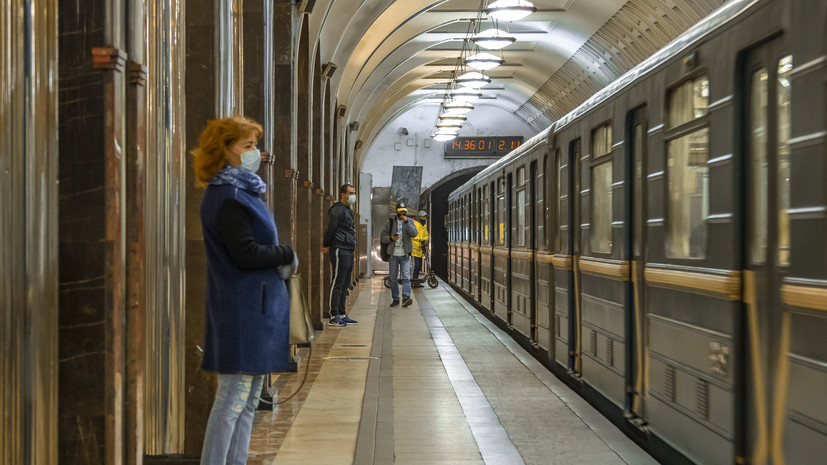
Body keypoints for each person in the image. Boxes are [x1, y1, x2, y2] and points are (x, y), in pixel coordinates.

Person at [193, 115, 298, 465]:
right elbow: (245, 253)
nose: (255, 152)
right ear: (224, 150)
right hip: (242, 310)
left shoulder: (242, 191)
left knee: (248, 399)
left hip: (254, 308)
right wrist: (286, 253)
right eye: (248, 145)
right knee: (232, 400)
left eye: (255, 144)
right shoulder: (229, 196)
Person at [322, 183, 359, 326]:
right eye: (350, 193)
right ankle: (334, 314)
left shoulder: (348, 210)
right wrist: (326, 244)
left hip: (348, 247)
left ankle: (342, 313)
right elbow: (331, 228)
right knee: (337, 281)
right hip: (339, 247)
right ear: (343, 194)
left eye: (354, 193)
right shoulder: (337, 209)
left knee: (345, 282)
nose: (353, 196)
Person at [380, 203, 418, 307]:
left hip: (405, 255)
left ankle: (406, 298)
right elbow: (383, 237)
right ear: (397, 211)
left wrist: (406, 222)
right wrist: (391, 238)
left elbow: (414, 234)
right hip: (393, 255)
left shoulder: (409, 221)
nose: (402, 213)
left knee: (406, 277)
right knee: (393, 278)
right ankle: (395, 299)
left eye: (404, 211)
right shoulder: (390, 222)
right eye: (400, 211)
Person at [411, 210, 429, 288]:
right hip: (415, 248)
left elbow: (426, 235)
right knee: (416, 265)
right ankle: (413, 281)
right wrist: (419, 239)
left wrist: (425, 239)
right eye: (424, 217)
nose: (425, 218)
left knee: (419, 266)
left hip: (421, 248)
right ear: (420, 217)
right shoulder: (415, 224)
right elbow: (412, 235)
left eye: (426, 217)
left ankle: (416, 281)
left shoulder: (424, 225)